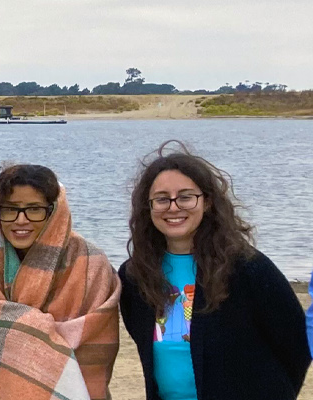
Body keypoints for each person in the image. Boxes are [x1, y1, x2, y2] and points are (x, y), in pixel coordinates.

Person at [118, 142, 309, 400]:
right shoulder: (135, 276)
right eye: (162, 199)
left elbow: (295, 345)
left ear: (207, 202)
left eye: (186, 196)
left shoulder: (247, 268)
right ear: (148, 207)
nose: (173, 207)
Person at [0, 164, 121, 400]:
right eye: (10, 209)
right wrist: (42, 335)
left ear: (54, 212)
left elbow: (96, 347)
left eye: (34, 209)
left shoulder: (91, 263)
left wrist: (21, 333)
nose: (21, 220)